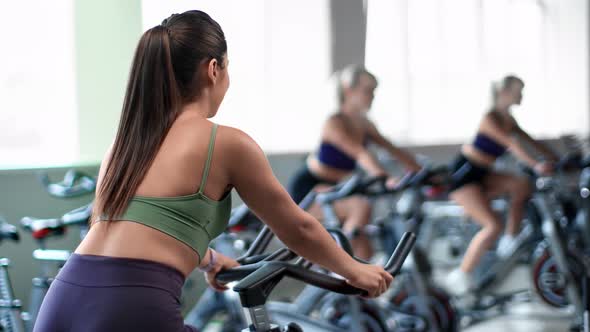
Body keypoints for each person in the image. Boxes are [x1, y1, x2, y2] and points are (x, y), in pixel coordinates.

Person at [33, 11, 392, 332]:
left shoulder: (125, 143)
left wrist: (210, 260)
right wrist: (354, 269)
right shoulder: (226, 143)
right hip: (133, 306)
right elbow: (296, 228)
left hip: (65, 299)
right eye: (227, 66)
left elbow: (142, 224)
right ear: (213, 69)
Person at [288, 65, 422, 260]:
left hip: (336, 189)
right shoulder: (334, 122)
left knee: (366, 252)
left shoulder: (364, 123)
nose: (373, 96)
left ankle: (353, 283)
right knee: (360, 206)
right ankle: (339, 265)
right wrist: (383, 177)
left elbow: (393, 149)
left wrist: (421, 170)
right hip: (310, 189)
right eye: (367, 91)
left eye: (374, 91)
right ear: (348, 91)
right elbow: (360, 153)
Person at [443, 75, 558, 295]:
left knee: (522, 185)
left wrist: (557, 159)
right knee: (491, 225)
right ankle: (461, 275)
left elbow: (531, 141)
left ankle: (510, 237)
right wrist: (536, 165)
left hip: (484, 173)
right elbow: (512, 144)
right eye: (518, 91)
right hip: (464, 176)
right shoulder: (491, 118)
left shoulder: (509, 119)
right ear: (504, 93)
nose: (521, 95)